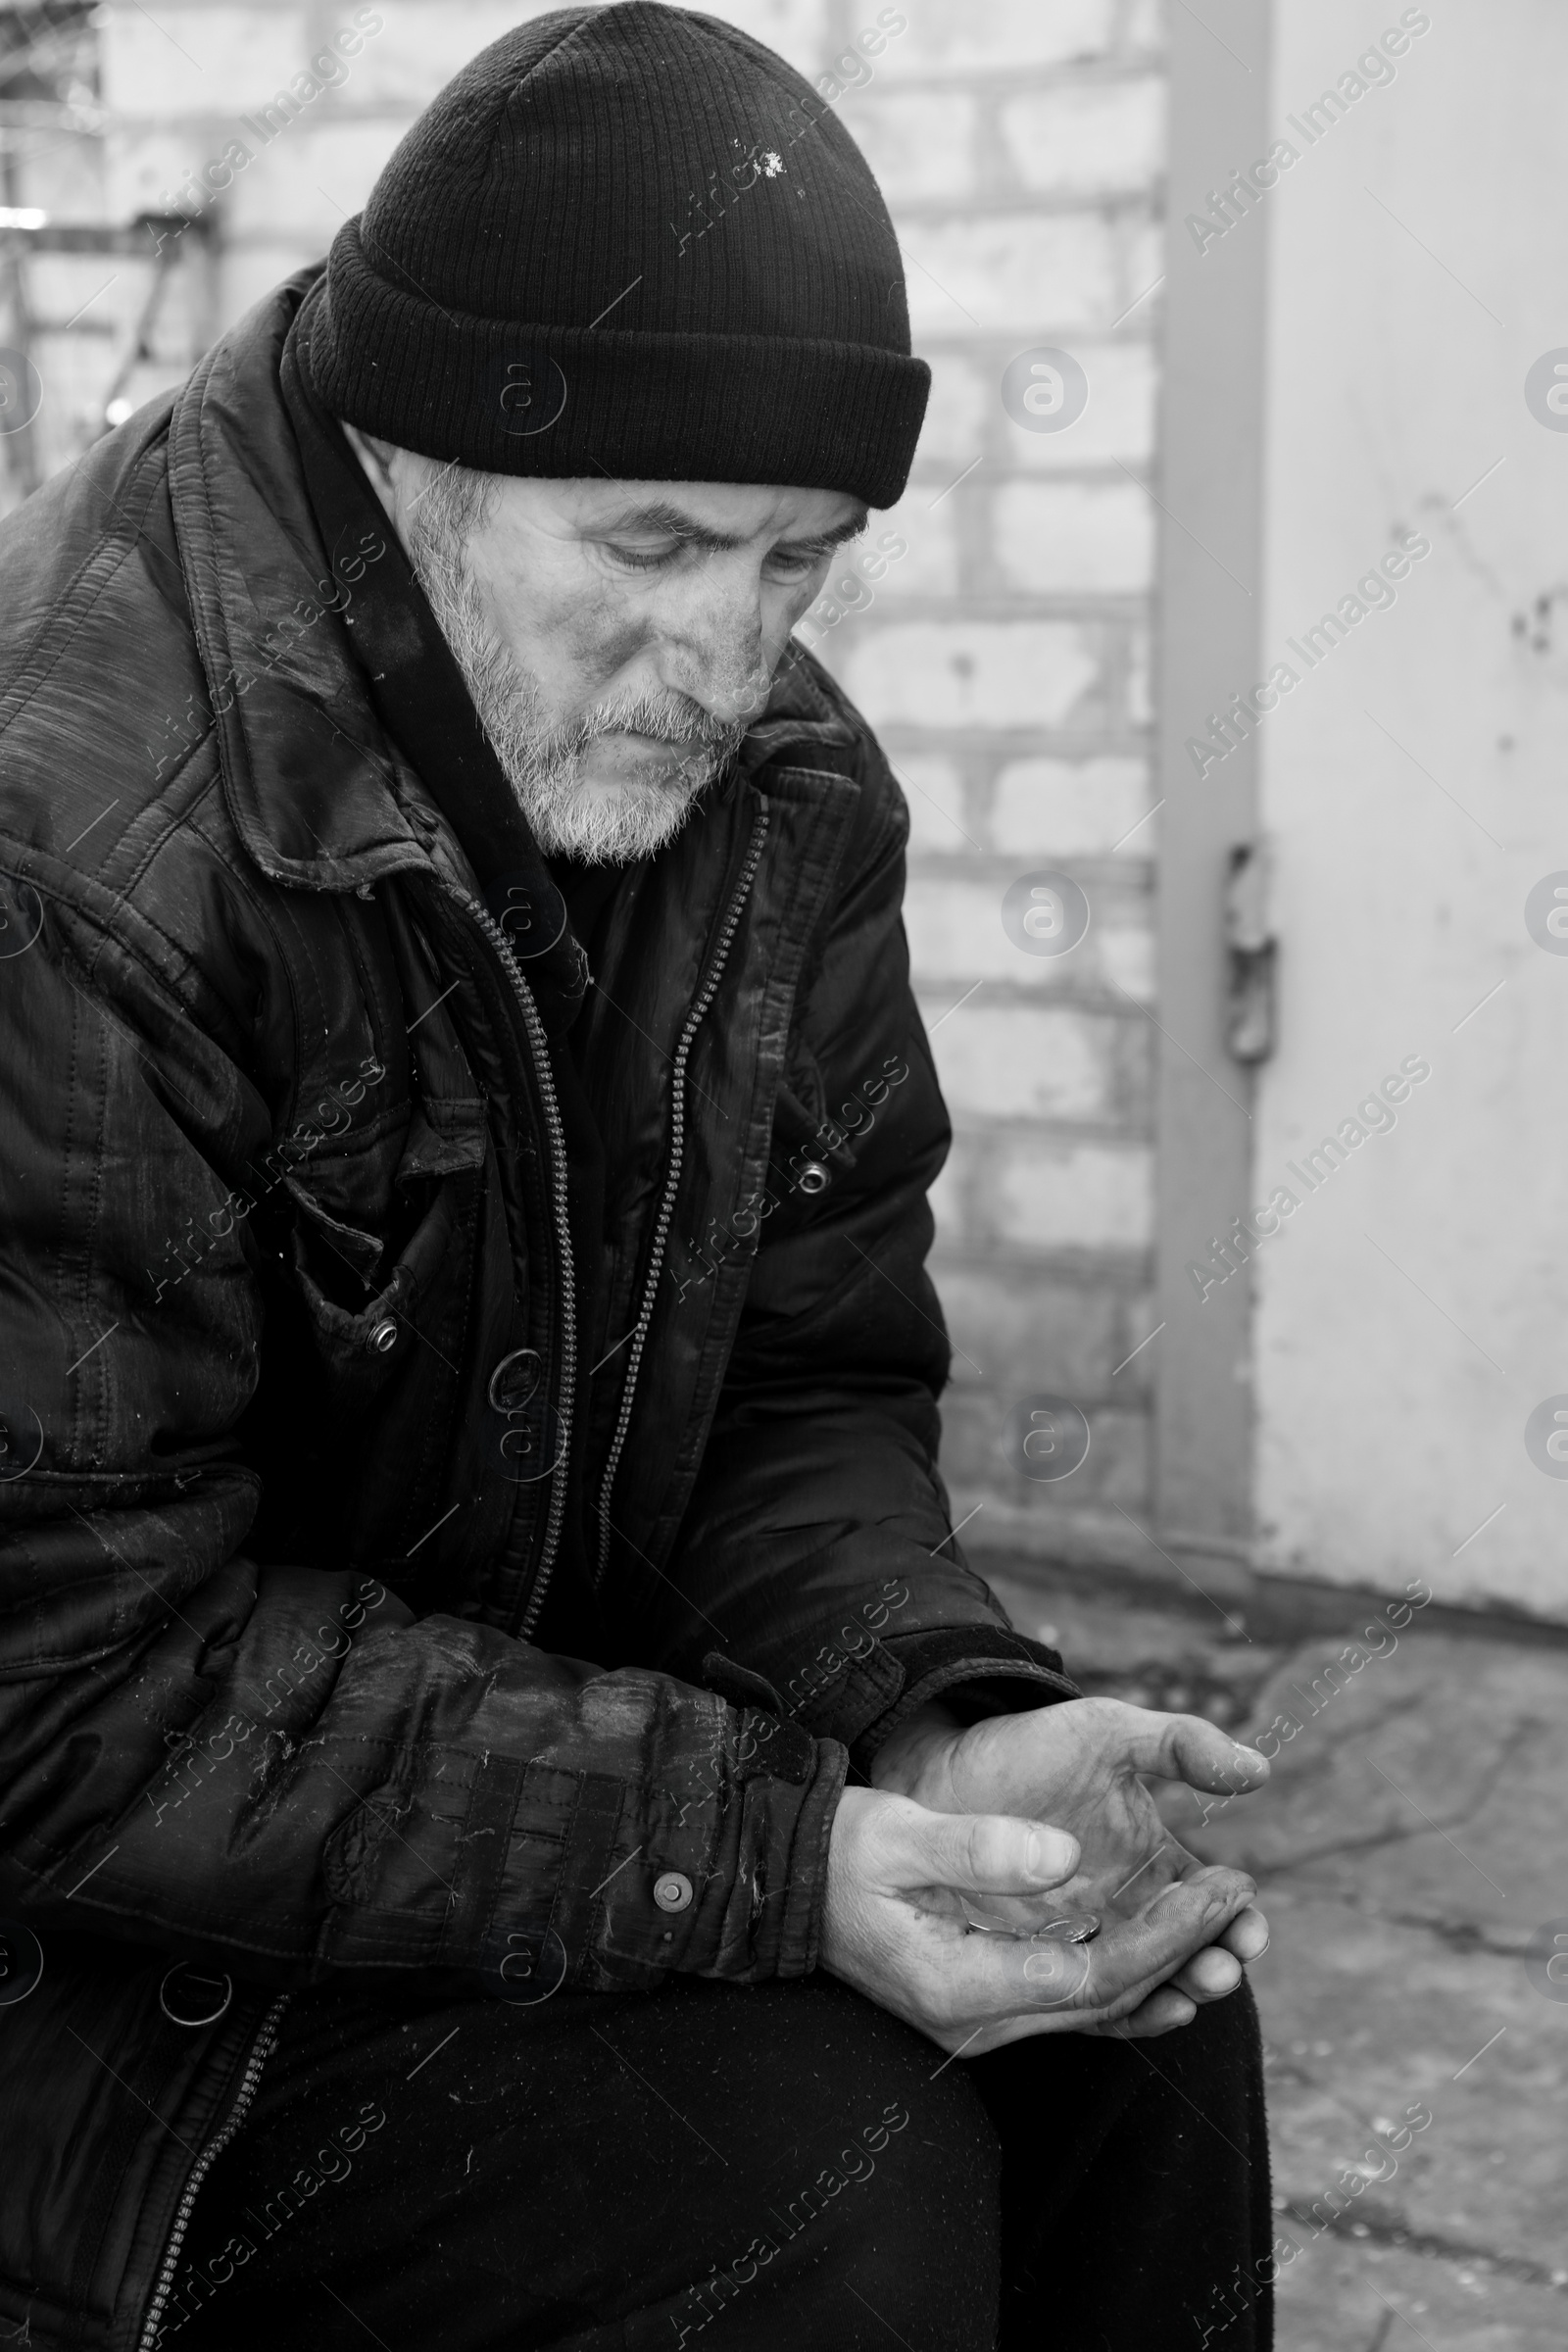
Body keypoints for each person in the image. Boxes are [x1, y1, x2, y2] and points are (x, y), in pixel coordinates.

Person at [0, 8, 1274, 2346]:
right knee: (816, 2195)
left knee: (1135, 2025)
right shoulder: (67, 840)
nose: (723, 665)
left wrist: (925, 1730)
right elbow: (69, 1690)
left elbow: (797, 1390)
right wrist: (769, 1855)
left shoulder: (779, 800)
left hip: (492, 1785)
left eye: (795, 564)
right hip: (105, 1962)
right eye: (655, 546)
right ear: (411, 465)